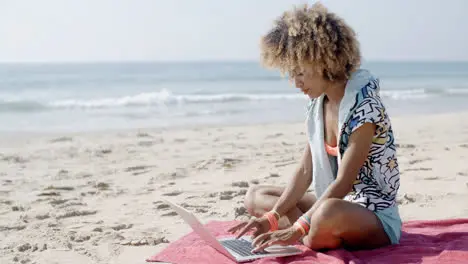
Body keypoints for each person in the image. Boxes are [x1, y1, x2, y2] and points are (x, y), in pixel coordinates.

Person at [228, 2, 402, 253]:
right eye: (290, 73)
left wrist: (297, 227)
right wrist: (274, 216)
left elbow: (344, 182)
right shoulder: (318, 103)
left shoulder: (365, 107)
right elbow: (305, 171)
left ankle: (301, 234)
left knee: (326, 213)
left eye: (299, 72)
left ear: (322, 60)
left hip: (370, 214)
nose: (295, 82)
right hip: (329, 202)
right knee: (256, 195)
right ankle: (297, 229)